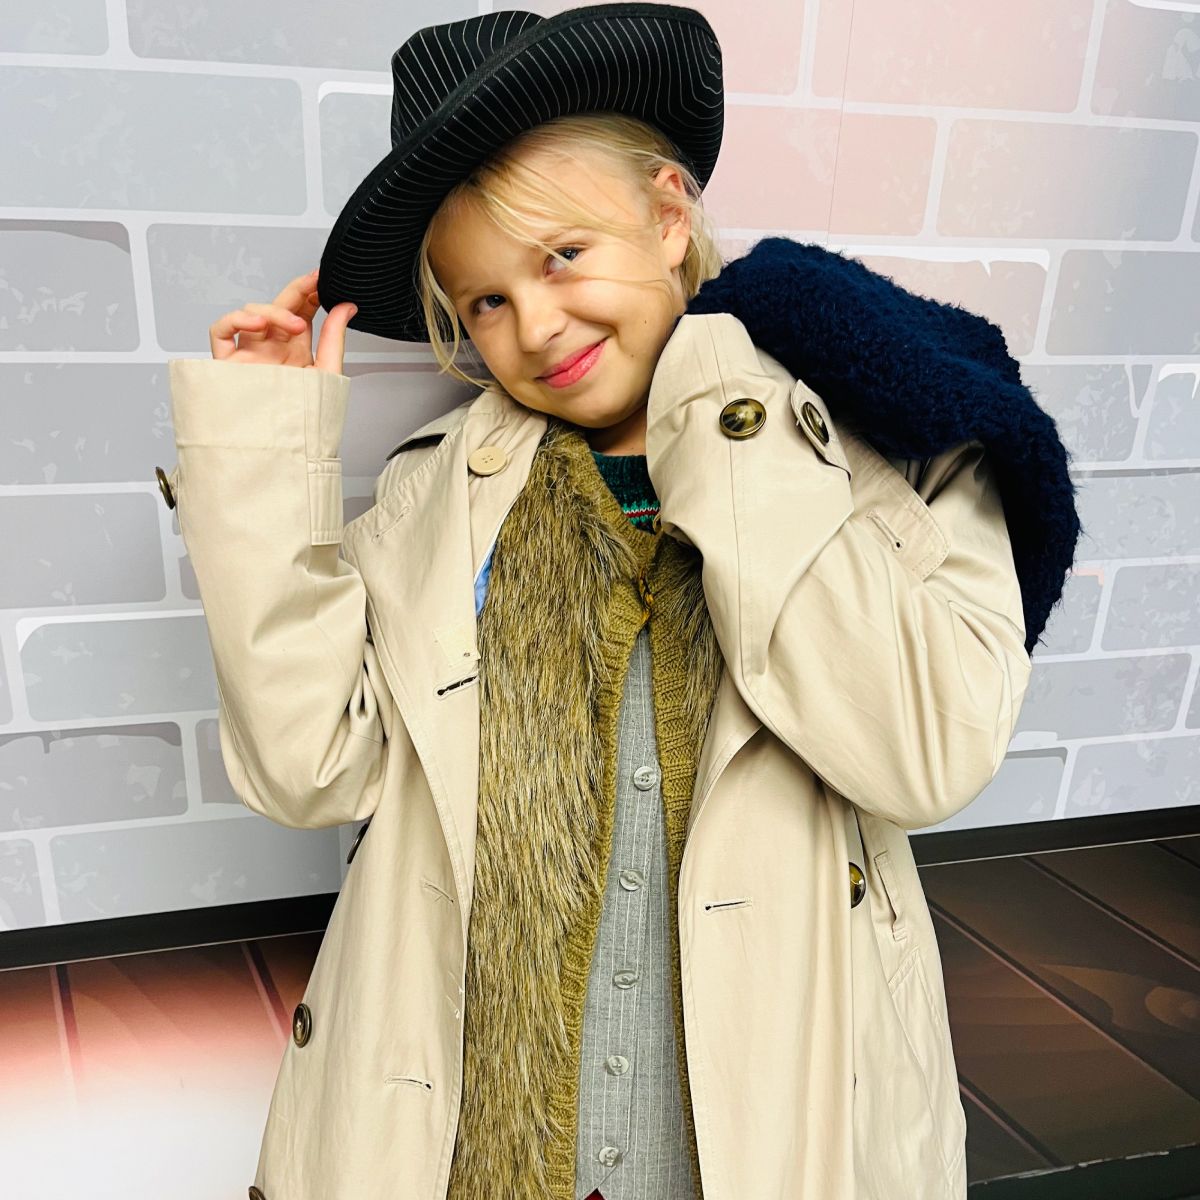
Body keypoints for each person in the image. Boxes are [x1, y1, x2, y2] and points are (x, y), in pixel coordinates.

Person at [157, 7, 1079, 1200]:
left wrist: (725, 394)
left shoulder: (892, 450)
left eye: (562, 256)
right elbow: (306, 770)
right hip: (457, 1150)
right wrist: (261, 457)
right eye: (482, 301)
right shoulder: (438, 497)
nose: (533, 328)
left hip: (778, 1145)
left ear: (667, 211)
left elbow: (925, 752)